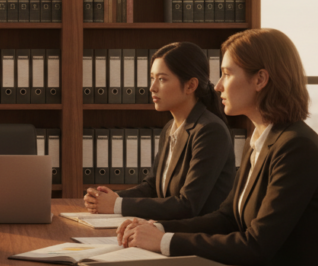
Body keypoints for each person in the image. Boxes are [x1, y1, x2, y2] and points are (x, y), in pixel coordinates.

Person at [117, 29, 318, 266]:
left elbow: (257, 245)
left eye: (227, 74)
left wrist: (164, 242)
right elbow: (227, 218)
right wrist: (156, 227)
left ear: (260, 79)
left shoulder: (296, 147)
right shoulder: (260, 138)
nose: (217, 86)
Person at [83, 41, 234, 220]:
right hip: (165, 230)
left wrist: (117, 205)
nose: (152, 88)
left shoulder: (210, 131)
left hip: (195, 239)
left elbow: (188, 205)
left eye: (161, 79)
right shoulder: (171, 127)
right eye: (152, 78)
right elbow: (152, 187)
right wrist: (111, 198)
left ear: (190, 86)